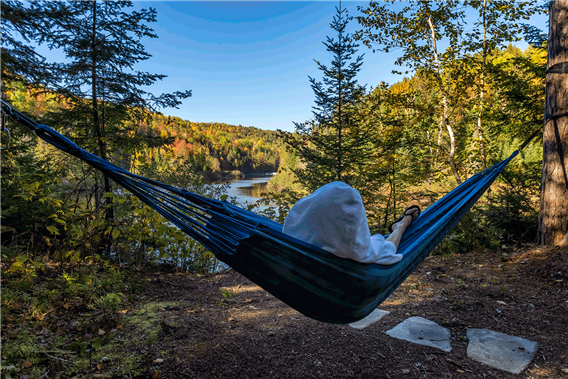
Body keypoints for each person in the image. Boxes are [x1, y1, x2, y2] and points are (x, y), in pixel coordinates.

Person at [282, 182, 420, 265]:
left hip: (318, 250)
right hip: (356, 250)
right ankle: (400, 227)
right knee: (384, 246)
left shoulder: (295, 237)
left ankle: (400, 226)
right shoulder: (352, 251)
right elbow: (388, 254)